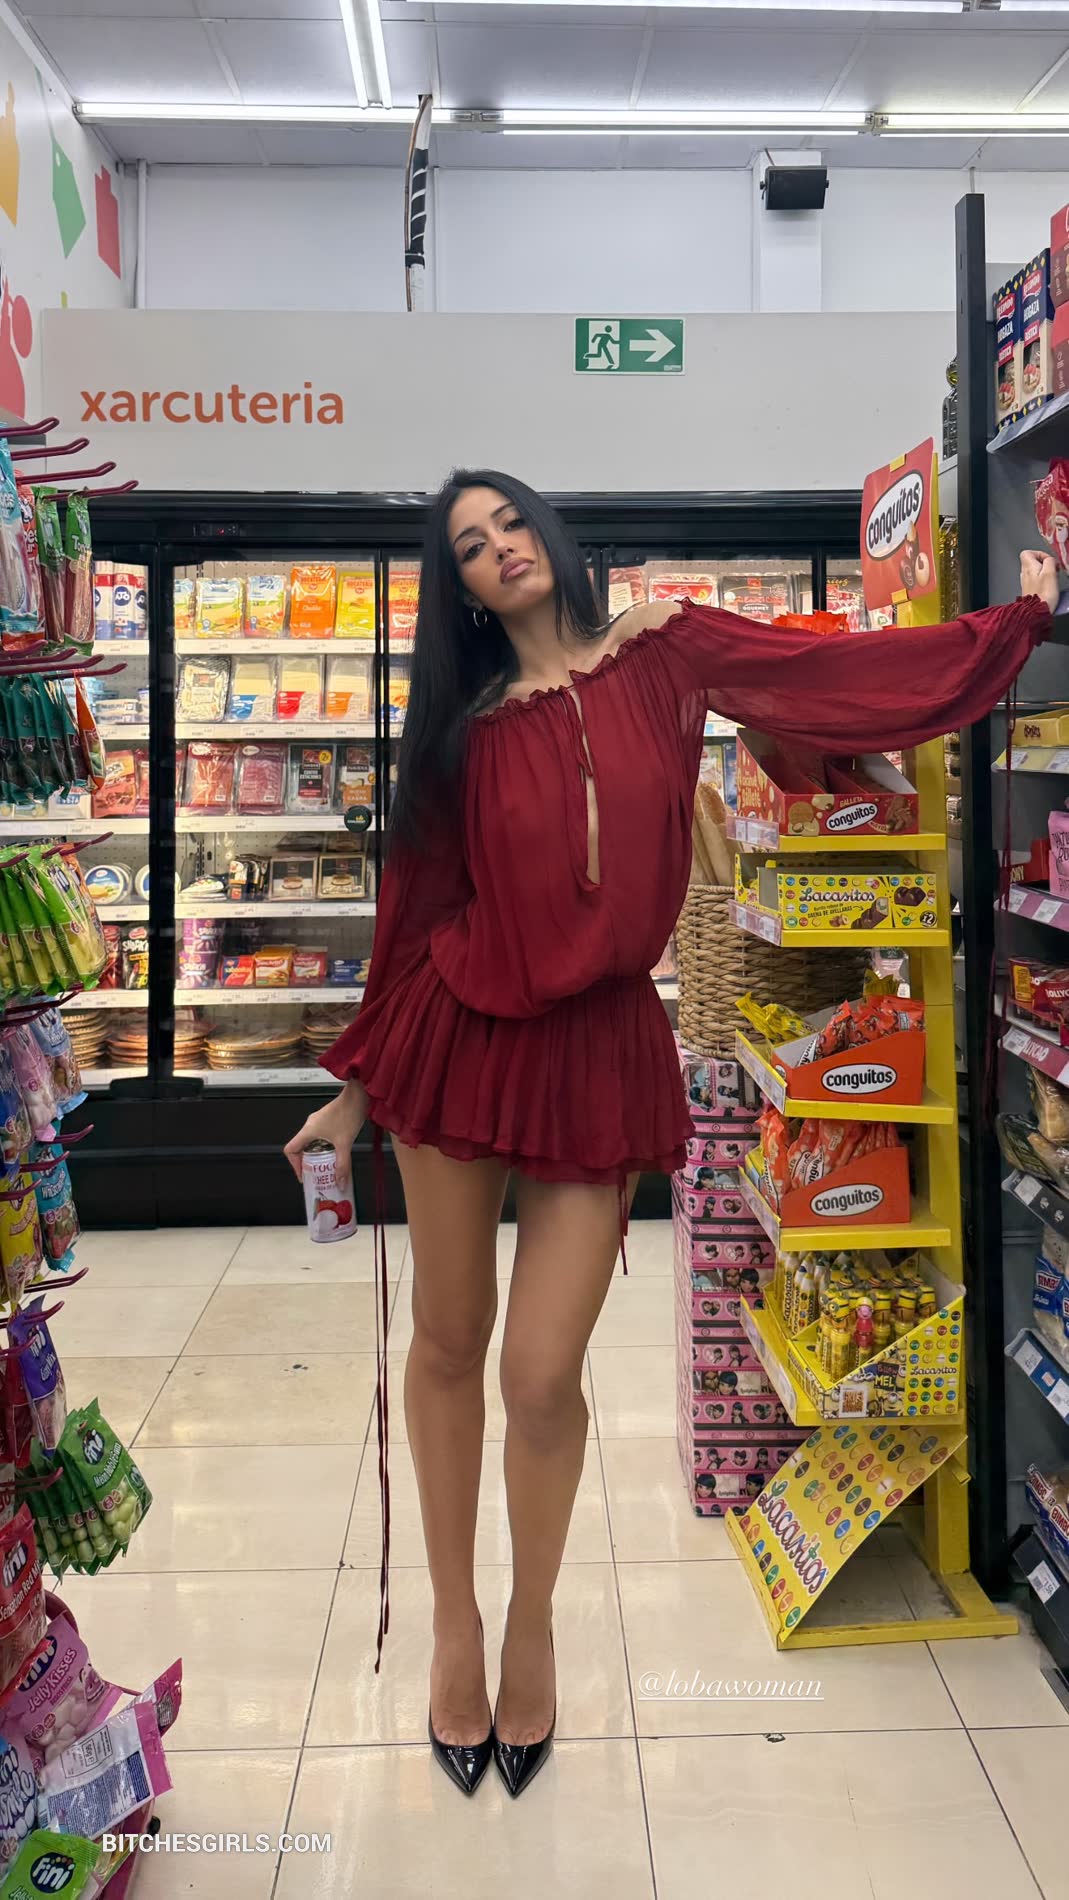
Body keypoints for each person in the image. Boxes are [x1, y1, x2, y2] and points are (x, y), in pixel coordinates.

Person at [284, 468, 1058, 1799]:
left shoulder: (664, 648)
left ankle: (532, 1626)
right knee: (450, 1342)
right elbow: (414, 908)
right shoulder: (463, 732)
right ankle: (456, 1624)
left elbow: (836, 683)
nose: (499, 549)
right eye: (468, 546)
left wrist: (1013, 625)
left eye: (511, 522)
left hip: (598, 1046)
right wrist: (354, 1084)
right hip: (455, 1036)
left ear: (550, 532)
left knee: (541, 1375)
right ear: (457, 591)